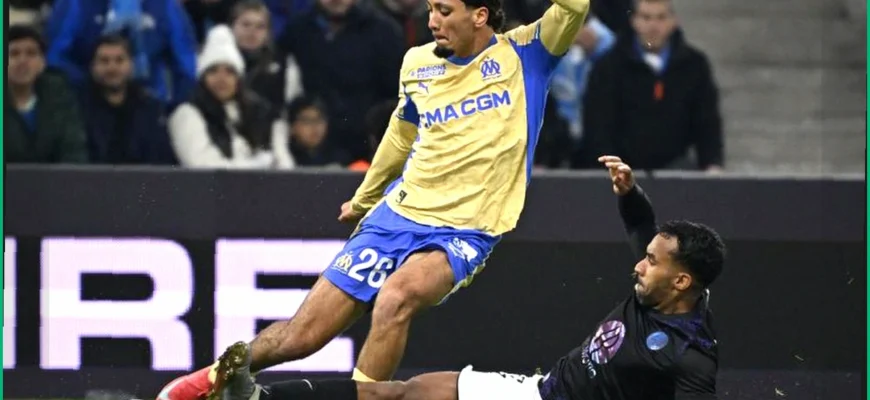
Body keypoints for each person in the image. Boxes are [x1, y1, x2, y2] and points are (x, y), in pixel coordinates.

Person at [157, 0, 591, 396]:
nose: (432, 21)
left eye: (444, 10)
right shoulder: (418, 63)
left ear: (479, 15)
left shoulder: (528, 53)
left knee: (396, 297)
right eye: (430, 9)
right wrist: (364, 198)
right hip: (396, 215)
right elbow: (400, 137)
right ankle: (212, 380)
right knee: (302, 336)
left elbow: (575, 6)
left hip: (465, 230)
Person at [213, 155, 725, 400]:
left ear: (682, 282)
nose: (639, 264)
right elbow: (640, 227)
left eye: (652, 261)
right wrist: (629, 192)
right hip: (542, 391)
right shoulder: (659, 287)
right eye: (647, 257)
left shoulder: (690, 354)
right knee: (402, 393)